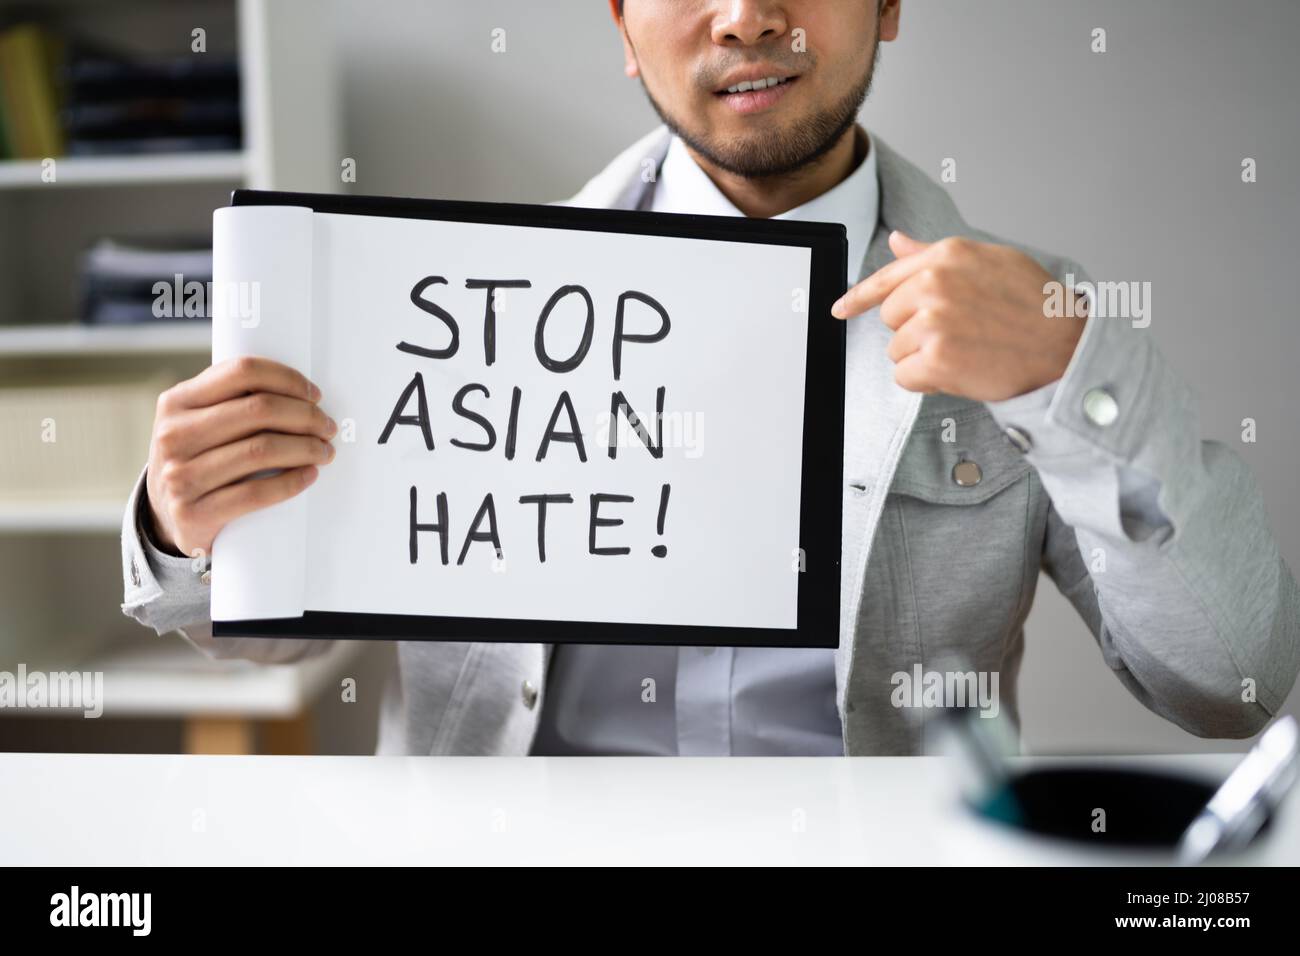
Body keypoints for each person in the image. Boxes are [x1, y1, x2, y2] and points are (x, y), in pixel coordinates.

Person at [121, 0, 1298, 755]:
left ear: (887, 4)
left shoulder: (1032, 316)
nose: (748, 15)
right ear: (624, 26)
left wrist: (1076, 375)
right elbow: (267, 635)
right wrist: (188, 528)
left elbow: (1231, 684)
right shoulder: (433, 297)